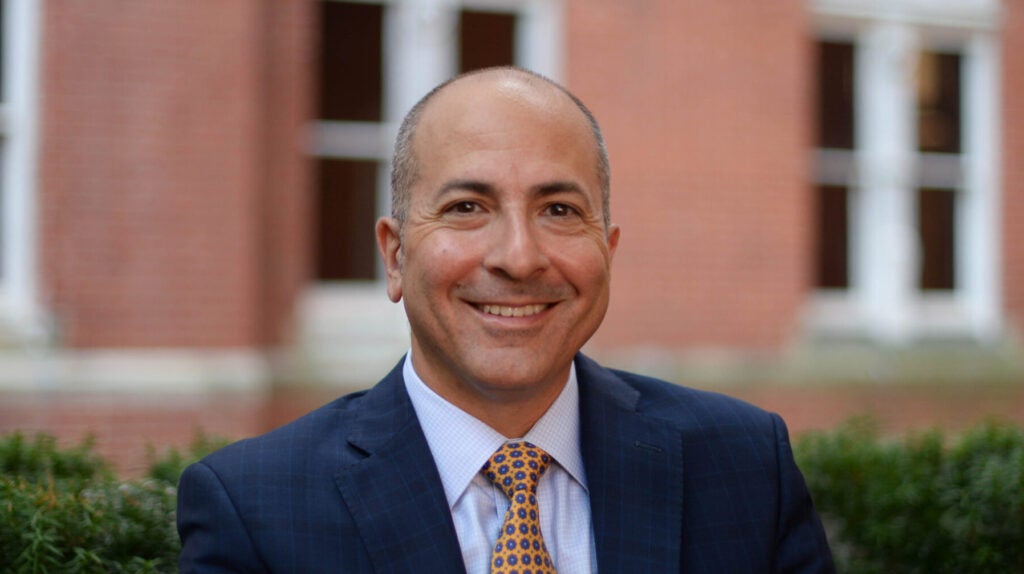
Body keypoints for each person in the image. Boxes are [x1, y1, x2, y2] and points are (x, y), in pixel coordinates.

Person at [177, 66, 835, 573]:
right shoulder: (255, 508)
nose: (519, 257)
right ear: (395, 255)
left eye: (558, 211)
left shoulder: (745, 466)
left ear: (607, 251)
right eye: (467, 207)